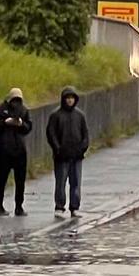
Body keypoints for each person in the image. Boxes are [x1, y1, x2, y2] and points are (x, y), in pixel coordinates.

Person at [0, 87, 33, 215]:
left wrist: (21, 124)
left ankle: (19, 206)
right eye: (14, 99)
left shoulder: (24, 110)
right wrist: (5, 122)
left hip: (20, 150)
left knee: (20, 181)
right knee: (2, 179)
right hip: (4, 150)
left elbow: (28, 127)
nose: (16, 102)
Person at [46, 86, 91, 215]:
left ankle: (74, 207)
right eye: (68, 98)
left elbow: (85, 134)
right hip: (62, 156)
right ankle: (59, 206)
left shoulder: (80, 116)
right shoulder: (56, 115)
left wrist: (82, 148)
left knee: (76, 183)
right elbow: (51, 134)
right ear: (63, 99)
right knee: (61, 182)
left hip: (77, 156)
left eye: (72, 98)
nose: (70, 101)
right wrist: (58, 149)